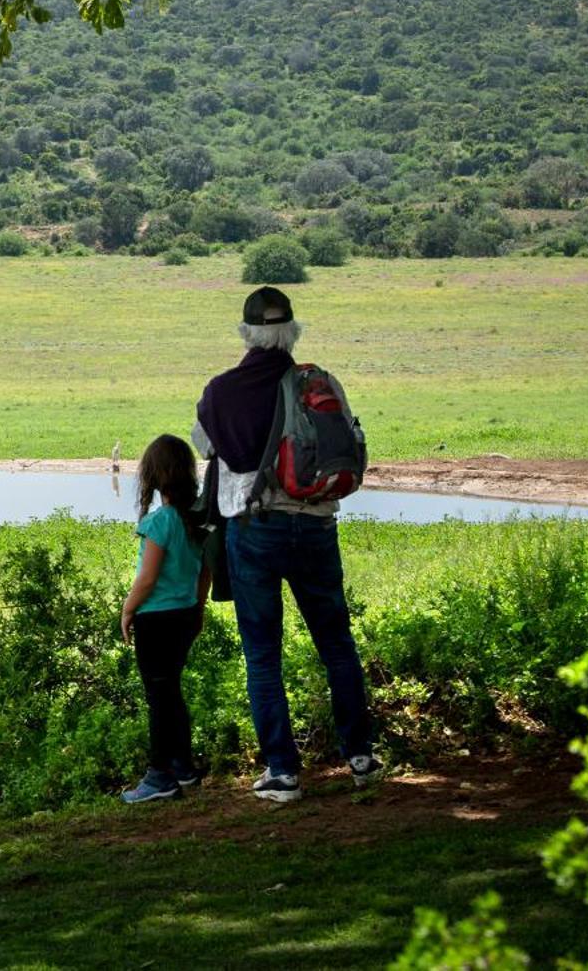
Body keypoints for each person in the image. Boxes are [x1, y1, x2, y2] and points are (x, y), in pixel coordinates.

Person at [194, 286, 383, 803]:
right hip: (318, 524)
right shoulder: (318, 382)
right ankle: (361, 757)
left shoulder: (222, 391)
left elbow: (206, 446)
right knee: (336, 644)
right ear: (291, 331)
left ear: (246, 333)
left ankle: (282, 771)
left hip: (255, 529)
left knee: (262, 653)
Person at [118, 434, 212, 804]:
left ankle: (159, 777)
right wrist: (199, 608)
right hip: (186, 614)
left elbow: (148, 578)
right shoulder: (196, 520)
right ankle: (183, 768)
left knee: (159, 695)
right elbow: (205, 572)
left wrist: (127, 610)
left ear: (155, 476)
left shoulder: (159, 523)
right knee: (171, 691)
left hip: (157, 620)